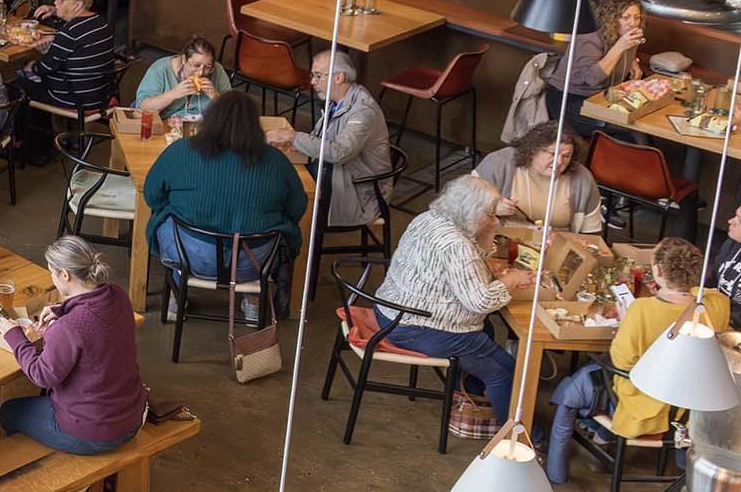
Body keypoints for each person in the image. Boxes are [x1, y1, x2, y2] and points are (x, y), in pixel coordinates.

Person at [546, 238, 731, 480]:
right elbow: (705, 294)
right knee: (588, 379)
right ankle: (607, 440)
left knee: (573, 388)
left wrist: (627, 319)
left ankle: (557, 471)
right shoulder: (715, 307)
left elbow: (621, 361)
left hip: (642, 405)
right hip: (684, 407)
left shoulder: (642, 310)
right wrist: (677, 290)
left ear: (658, 271)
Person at [372, 176, 536, 408]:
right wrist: (512, 279)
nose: (494, 218)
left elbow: (464, 266)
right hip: (415, 327)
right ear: (473, 213)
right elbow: (482, 302)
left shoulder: (428, 218)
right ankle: (519, 438)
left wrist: (490, 229)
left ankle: (472, 398)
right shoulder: (456, 245)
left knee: (485, 329)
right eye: (490, 213)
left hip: (390, 310)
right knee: (506, 371)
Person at [144, 90, 307, 317]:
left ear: (210, 119)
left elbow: (152, 196)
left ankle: (176, 291)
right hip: (254, 261)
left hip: (189, 255)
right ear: (254, 125)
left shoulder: (180, 150)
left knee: (164, 219)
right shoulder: (276, 160)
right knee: (273, 232)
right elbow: (297, 208)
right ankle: (252, 296)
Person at [0, 236, 145, 455]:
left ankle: (38, 468)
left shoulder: (67, 328)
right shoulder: (118, 295)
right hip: (132, 414)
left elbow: (41, 375)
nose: (52, 277)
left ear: (65, 274)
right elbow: (94, 320)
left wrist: (14, 335)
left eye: (52, 273)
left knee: (9, 411)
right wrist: (62, 309)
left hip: (95, 433)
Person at [267, 49, 390, 229]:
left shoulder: (364, 112)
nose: (312, 82)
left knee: (281, 192)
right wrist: (299, 145)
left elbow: (338, 152)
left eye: (318, 76)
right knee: (277, 176)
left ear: (338, 77)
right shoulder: (336, 102)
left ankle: (288, 243)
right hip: (335, 176)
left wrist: (293, 136)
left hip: (357, 194)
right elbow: (322, 141)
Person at [472, 120, 604, 234]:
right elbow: (462, 211)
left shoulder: (582, 179)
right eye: (552, 153)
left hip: (557, 246)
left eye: (566, 156)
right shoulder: (498, 164)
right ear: (532, 150)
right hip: (502, 241)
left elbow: (592, 233)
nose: (559, 162)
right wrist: (491, 208)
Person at [15, 0, 115, 121]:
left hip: (75, 99)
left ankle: (30, 139)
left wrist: (31, 66)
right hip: (101, 94)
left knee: (19, 80)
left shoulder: (71, 31)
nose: (56, 2)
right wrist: (55, 12)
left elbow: (45, 67)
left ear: (78, 5)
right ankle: (61, 135)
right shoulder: (99, 22)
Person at [543, 0, 644, 127]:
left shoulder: (627, 35)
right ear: (612, 18)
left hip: (602, 97)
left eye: (637, 17)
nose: (633, 23)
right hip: (570, 99)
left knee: (638, 121)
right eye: (626, 17)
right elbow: (592, 79)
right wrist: (620, 47)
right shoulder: (590, 37)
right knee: (628, 129)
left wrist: (633, 60)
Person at [134, 35, 232, 121]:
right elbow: (143, 108)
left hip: (203, 130)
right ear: (184, 59)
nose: (201, 72)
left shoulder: (217, 70)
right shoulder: (160, 69)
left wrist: (216, 96)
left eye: (207, 67)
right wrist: (173, 94)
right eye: (196, 65)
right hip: (165, 128)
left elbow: (234, 110)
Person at [707, 208, 741, 328]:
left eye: (739, 220)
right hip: (715, 313)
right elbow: (713, 281)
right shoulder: (732, 244)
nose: (730, 221)